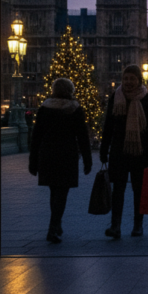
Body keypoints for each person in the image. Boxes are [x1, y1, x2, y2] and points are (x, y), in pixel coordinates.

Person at [99, 65, 148, 239]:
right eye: (125, 78)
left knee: (138, 190)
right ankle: (115, 226)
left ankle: (138, 225)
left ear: (139, 80)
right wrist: (104, 149)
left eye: (131, 79)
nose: (128, 82)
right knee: (117, 190)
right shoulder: (115, 98)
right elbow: (108, 126)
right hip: (119, 151)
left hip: (140, 151)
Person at [29, 78, 92, 243]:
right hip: (66, 154)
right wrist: (87, 159)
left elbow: (36, 136)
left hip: (47, 154)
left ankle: (56, 224)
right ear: (71, 91)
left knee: (54, 191)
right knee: (62, 192)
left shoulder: (44, 108)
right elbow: (82, 136)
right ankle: (53, 227)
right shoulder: (75, 109)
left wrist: (33, 161)